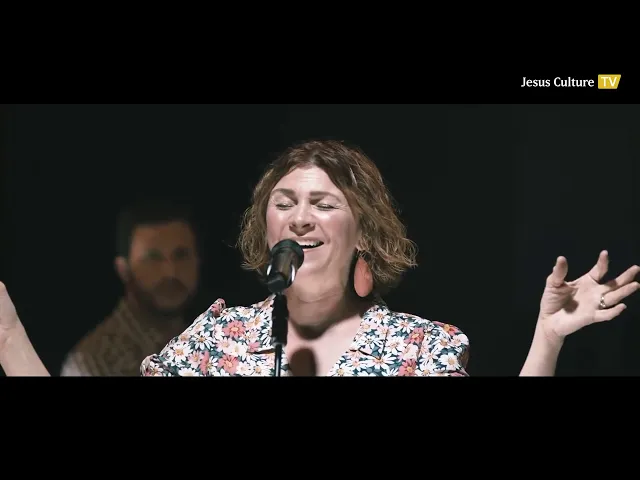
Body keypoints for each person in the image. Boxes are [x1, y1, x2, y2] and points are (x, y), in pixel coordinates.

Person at [0, 139, 638, 376]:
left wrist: (546, 339)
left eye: (324, 204)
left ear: (363, 234)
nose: (300, 217)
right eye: (284, 203)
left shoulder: (422, 348)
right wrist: (7, 335)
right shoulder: (217, 339)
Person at [59, 199, 201, 376]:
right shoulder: (90, 364)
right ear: (124, 269)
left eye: (181, 255)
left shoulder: (210, 336)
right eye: (152, 258)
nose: (170, 272)